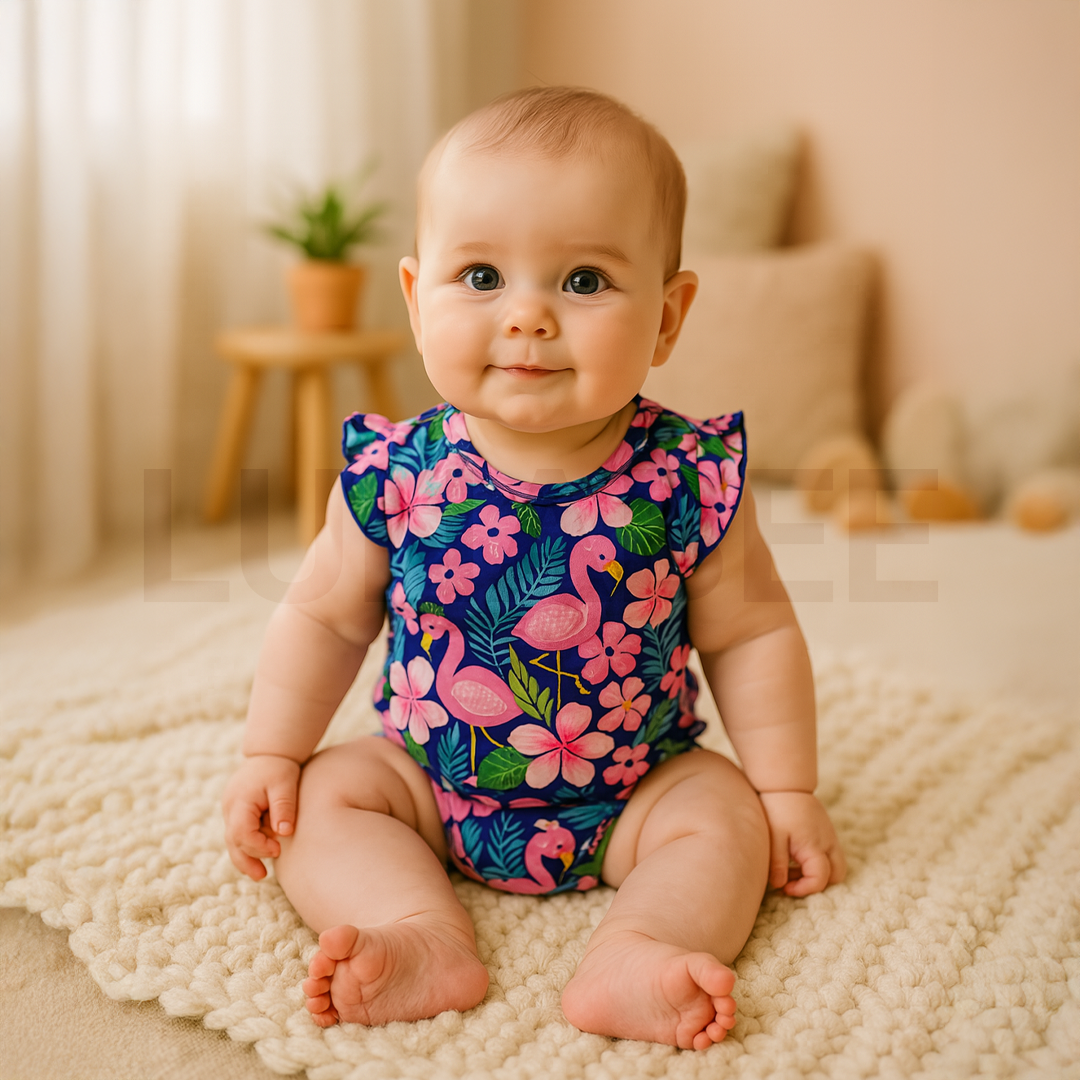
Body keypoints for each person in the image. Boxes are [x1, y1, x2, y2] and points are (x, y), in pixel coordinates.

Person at [222, 86, 846, 1051]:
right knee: (325, 798)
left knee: (726, 817)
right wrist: (270, 752)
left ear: (669, 317)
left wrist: (785, 791)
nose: (527, 318)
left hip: (635, 791)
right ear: (414, 299)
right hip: (426, 783)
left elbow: (754, 632)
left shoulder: (689, 477)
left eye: (584, 282)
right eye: (478, 277)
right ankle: (417, 930)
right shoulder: (397, 472)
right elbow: (324, 617)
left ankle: (643, 945)